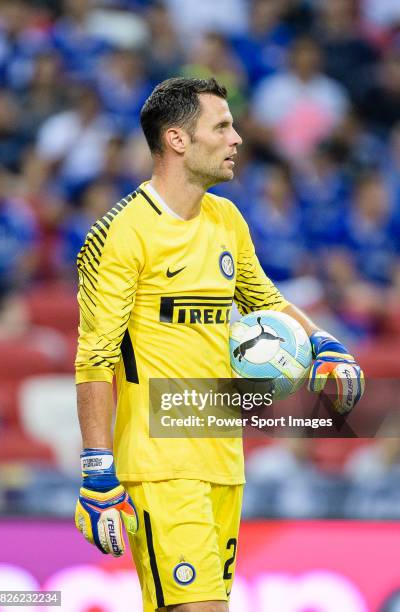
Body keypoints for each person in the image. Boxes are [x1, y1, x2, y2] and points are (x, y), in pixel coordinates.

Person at [74, 77, 364, 612]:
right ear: (178, 140)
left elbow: (264, 299)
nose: (237, 139)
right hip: (161, 465)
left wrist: (323, 343)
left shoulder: (226, 219)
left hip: (223, 460)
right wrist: (97, 469)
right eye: (223, 126)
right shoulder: (119, 234)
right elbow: (94, 358)